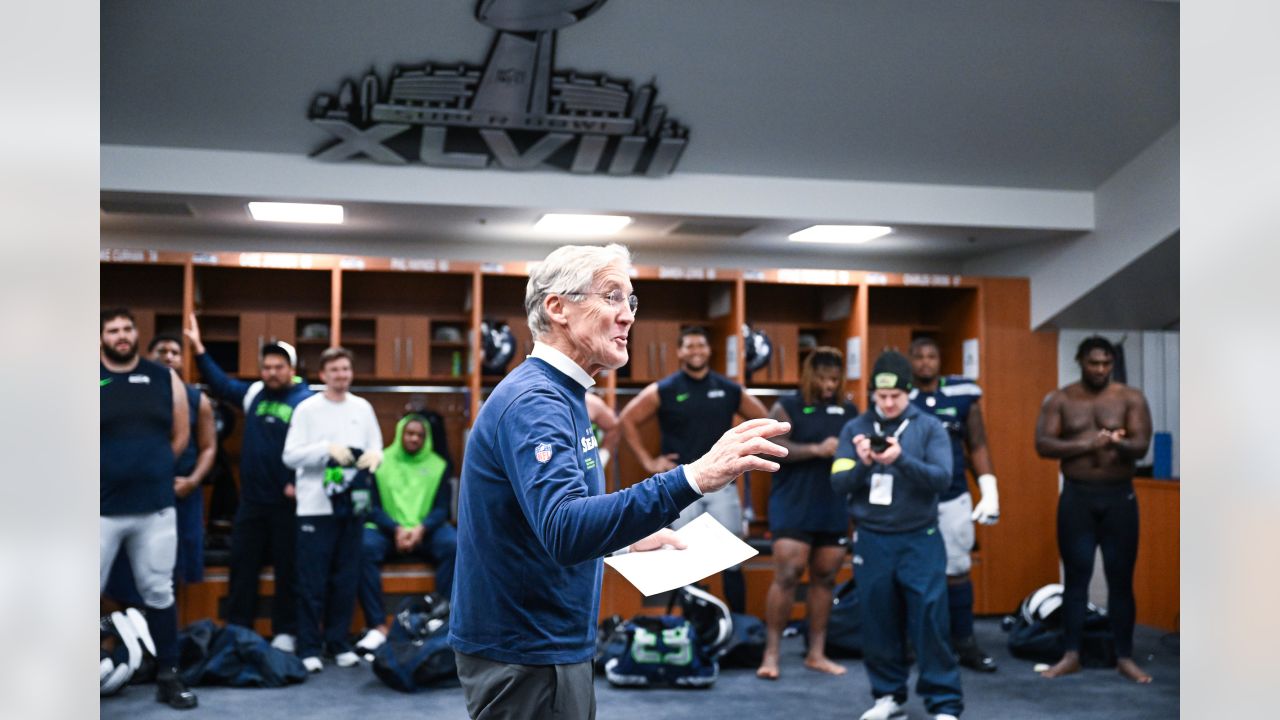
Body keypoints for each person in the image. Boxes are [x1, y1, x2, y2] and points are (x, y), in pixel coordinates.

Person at [448, 243, 790, 720]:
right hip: (525, 649)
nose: (627, 315)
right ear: (557, 308)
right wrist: (694, 476)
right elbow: (564, 527)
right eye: (611, 297)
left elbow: (541, 520)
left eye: (631, 301)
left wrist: (625, 543)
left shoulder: (564, 395)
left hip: (548, 641)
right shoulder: (536, 402)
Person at [831, 350, 962, 720]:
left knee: (930, 620)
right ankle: (888, 696)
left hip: (919, 538)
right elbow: (838, 482)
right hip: (872, 539)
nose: (888, 404)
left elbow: (942, 479)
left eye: (896, 397)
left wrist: (900, 459)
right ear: (872, 393)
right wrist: (864, 463)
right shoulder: (854, 429)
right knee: (877, 620)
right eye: (881, 397)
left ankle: (945, 704)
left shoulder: (929, 427)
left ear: (909, 394)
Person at [618, 325, 769, 613]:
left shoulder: (727, 389)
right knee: (684, 560)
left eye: (700, 345)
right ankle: (691, 633)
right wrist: (650, 462)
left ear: (709, 350)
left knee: (733, 558)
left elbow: (763, 418)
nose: (695, 351)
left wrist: (744, 454)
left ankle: (739, 628)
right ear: (679, 351)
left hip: (723, 486)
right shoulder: (666, 388)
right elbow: (626, 419)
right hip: (683, 484)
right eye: (689, 346)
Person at [185, 315, 313, 651]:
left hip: (288, 503)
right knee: (242, 567)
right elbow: (222, 386)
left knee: (289, 569)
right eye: (267, 366)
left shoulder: (306, 401)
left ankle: (286, 630)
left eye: (278, 367)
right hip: (252, 502)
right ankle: (237, 628)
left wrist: (298, 483)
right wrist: (198, 349)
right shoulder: (255, 392)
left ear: (291, 368)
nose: (271, 372)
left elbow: (317, 448)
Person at [1034, 335, 1153, 684]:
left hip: (1119, 498)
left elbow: (1142, 446)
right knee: (1076, 578)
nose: (1100, 369)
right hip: (1077, 498)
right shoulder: (1061, 399)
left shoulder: (1130, 398)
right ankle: (1071, 654)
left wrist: (1119, 441)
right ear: (1080, 362)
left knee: (1120, 579)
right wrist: (1089, 442)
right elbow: (1043, 444)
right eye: (1093, 363)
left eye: (1106, 363)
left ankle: (1124, 656)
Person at [99, 308, 197, 709]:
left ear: (136, 334)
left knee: (159, 591)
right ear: (102, 337)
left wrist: (151, 469)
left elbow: (181, 434)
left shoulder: (163, 377)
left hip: (154, 508)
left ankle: (168, 675)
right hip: (99, 509)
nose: (121, 336)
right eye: (112, 331)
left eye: (126, 329)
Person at [756, 346, 858, 680]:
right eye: (824, 378)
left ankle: (817, 653)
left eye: (835, 379)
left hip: (833, 504)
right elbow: (774, 448)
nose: (830, 385)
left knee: (826, 578)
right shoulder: (788, 406)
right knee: (787, 574)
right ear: (810, 376)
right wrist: (817, 449)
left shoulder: (849, 410)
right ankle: (771, 654)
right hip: (794, 503)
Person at [282, 347, 384, 672]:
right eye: (334, 370)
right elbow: (290, 455)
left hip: (352, 508)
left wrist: (376, 457)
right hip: (315, 508)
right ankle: (309, 646)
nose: (340, 375)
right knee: (312, 581)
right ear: (323, 374)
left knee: (346, 578)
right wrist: (324, 450)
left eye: (345, 369)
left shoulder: (362, 408)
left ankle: (338, 643)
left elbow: (376, 446)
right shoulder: (307, 409)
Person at [104, 334, 217, 607]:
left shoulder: (195, 398)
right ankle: (119, 638)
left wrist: (193, 480)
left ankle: (167, 639)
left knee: (170, 577)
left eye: (175, 352)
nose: (168, 356)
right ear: (147, 356)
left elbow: (208, 447)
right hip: (130, 499)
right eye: (161, 351)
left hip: (180, 498)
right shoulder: (122, 391)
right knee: (121, 576)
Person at [907, 337, 999, 672]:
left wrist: (989, 490)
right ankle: (912, 643)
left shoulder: (961, 394)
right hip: (912, 498)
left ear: (940, 359)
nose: (925, 363)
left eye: (932, 356)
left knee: (957, 571)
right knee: (910, 573)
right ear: (909, 360)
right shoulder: (899, 397)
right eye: (918, 356)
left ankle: (965, 643)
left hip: (953, 495)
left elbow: (977, 444)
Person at [354, 412, 457, 654]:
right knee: (363, 547)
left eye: (419, 435)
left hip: (425, 531)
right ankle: (377, 626)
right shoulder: (380, 461)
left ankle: (438, 620)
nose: (414, 438)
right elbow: (371, 507)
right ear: (401, 434)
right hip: (388, 530)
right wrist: (396, 529)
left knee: (453, 545)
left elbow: (442, 508)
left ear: (426, 438)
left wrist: (420, 529)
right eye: (409, 433)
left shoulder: (438, 465)